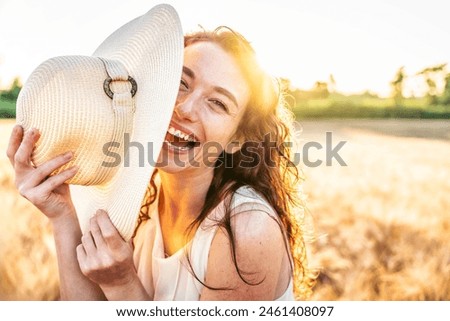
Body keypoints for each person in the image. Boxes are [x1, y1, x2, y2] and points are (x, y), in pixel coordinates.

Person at [7, 26, 315, 300]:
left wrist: (122, 284)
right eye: (181, 83)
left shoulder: (247, 229)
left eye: (218, 103)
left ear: (237, 140)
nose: (185, 107)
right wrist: (62, 217)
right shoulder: (135, 200)